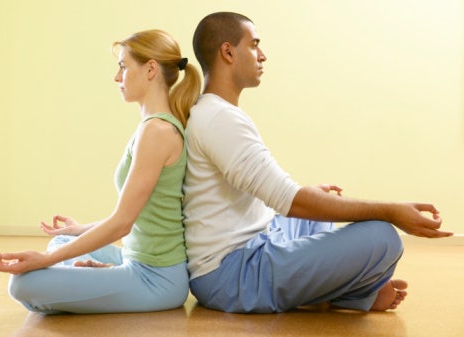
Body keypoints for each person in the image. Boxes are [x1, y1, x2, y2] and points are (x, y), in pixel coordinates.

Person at [183, 12, 453, 314]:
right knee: (384, 238)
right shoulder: (220, 120)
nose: (263, 55)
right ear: (228, 52)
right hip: (234, 277)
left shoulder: (215, 112)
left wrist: (310, 198)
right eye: (254, 45)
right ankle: (349, 293)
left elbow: (279, 200)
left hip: (245, 255)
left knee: (317, 209)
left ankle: (339, 292)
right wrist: (392, 212)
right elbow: (291, 200)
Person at [0, 29, 201, 314]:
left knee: (23, 285)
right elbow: (133, 216)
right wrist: (79, 230)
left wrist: (43, 261)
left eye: (123, 67)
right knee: (63, 240)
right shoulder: (152, 127)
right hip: (136, 260)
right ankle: (99, 277)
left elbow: (122, 223)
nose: (116, 77)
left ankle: (94, 279)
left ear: (150, 70)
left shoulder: (157, 131)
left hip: (156, 279)